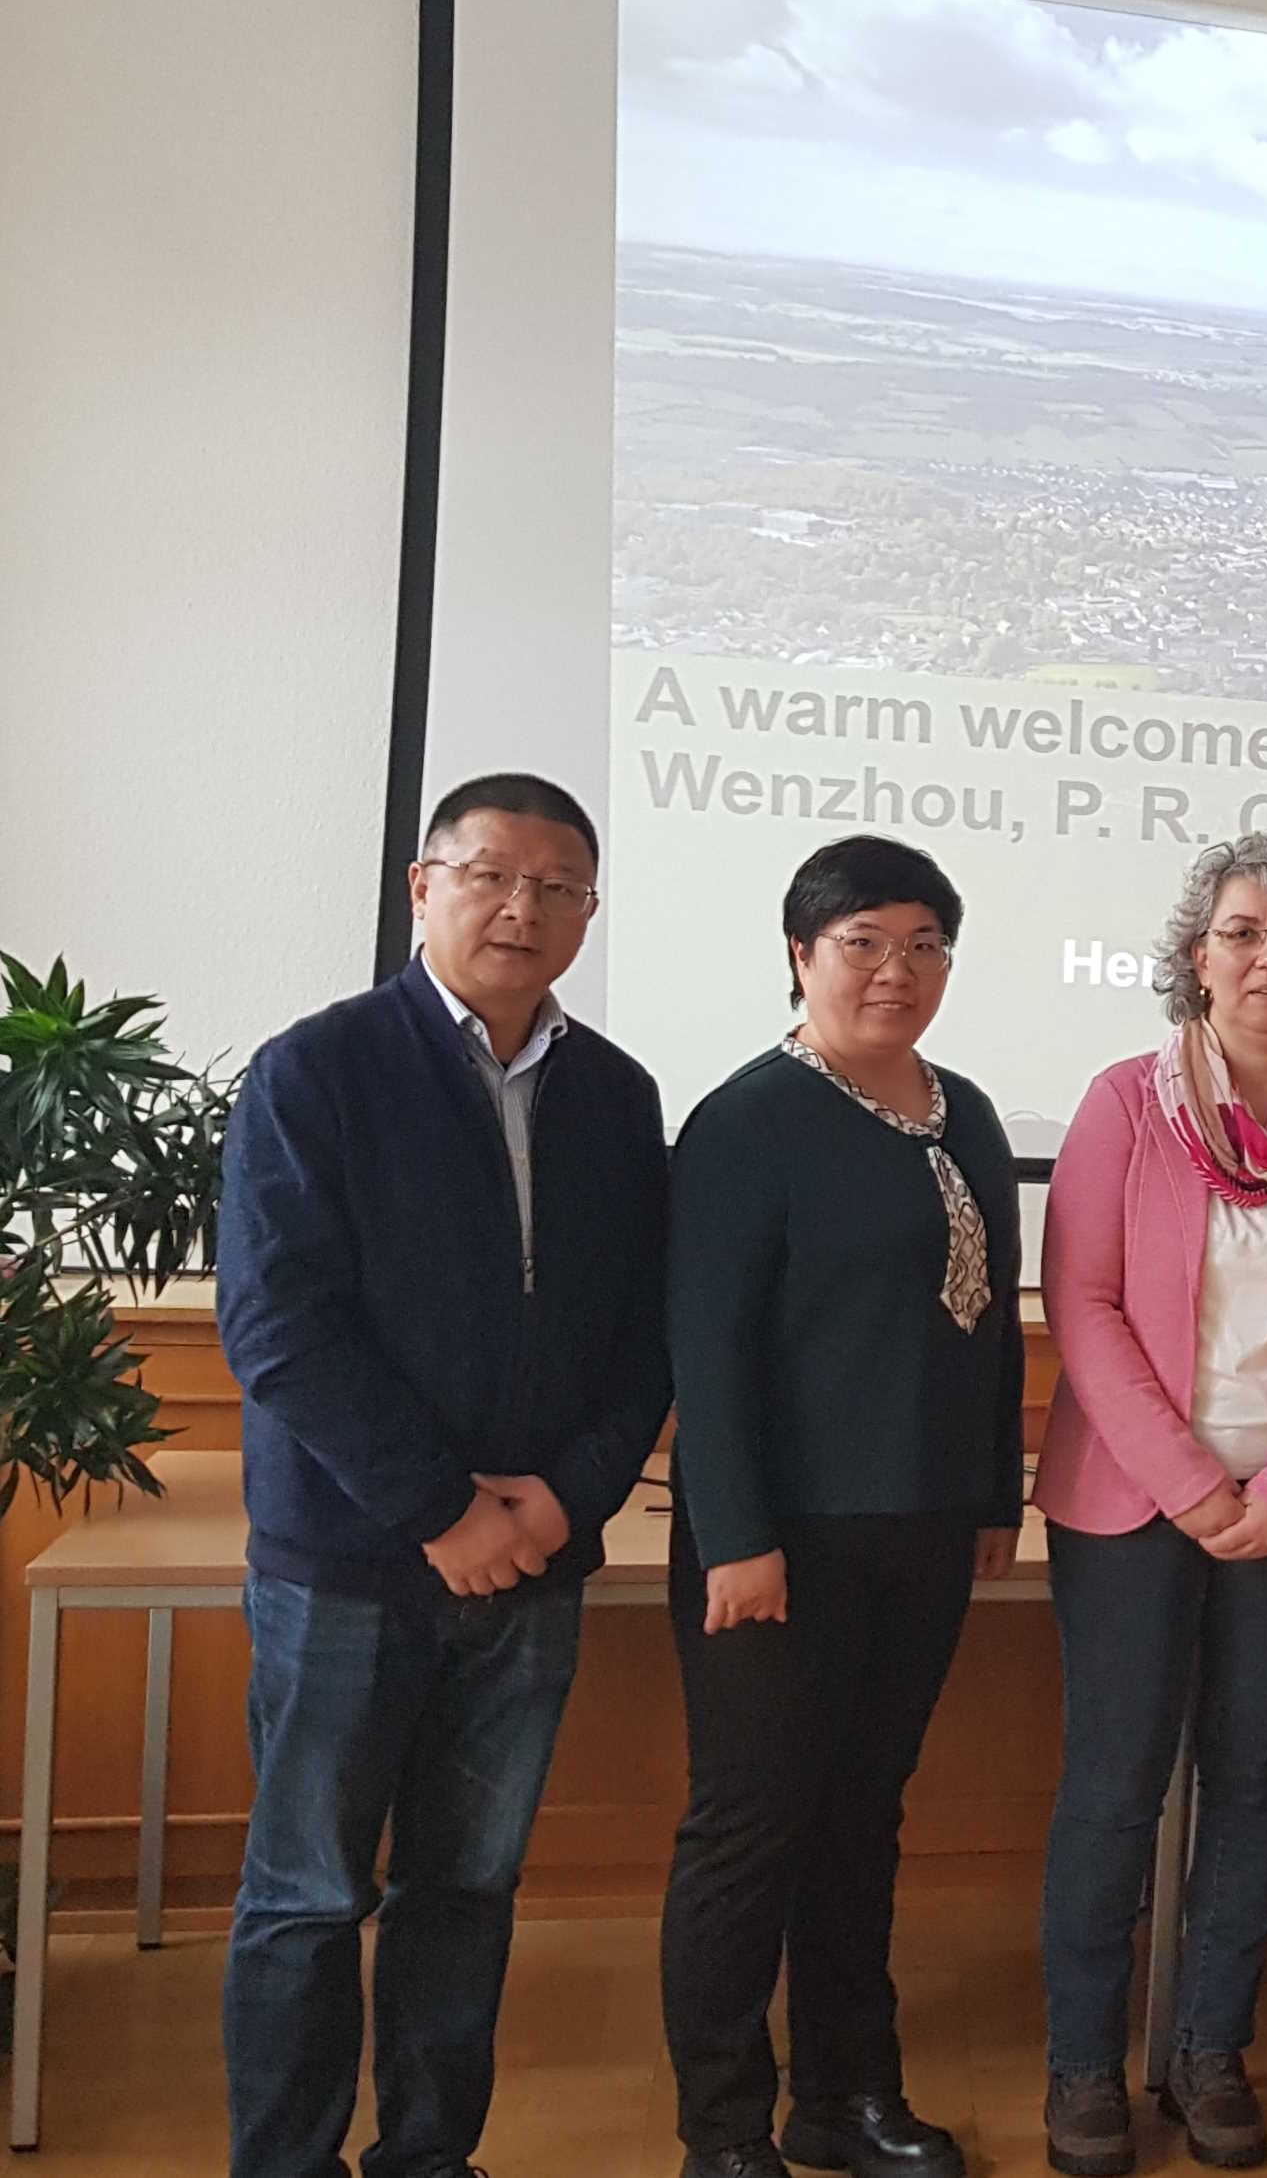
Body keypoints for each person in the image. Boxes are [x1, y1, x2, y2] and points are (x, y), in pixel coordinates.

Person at [216, 773, 670, 2178]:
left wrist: (560, 1500)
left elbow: (644, 1334)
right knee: (305, 1895)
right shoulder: (318, 1068)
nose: (520, 908)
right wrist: (442, 1511)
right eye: (489, 875)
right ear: (425, 887)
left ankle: (428, 2156)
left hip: (529, 1566)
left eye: (556, 888)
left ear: (588, 915)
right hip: (350, 1562)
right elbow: (277, 1322)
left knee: (466, 1889)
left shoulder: (615, 1093)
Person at [1033, 836, 1267, 2175]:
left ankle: (1208, 2049)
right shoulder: (1122, 1105)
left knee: (1254, 1784)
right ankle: (1083, 2065)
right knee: (1114, 1786)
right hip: (1132, 1508)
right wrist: (1196, 1489)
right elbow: (1077, 1306)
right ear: (1196, 959)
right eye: (1244, 932)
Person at [658, 835, 1024, 2178]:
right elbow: (708, 1349)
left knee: (863, 1815)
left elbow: (996, 1330)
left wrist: (995, 1487)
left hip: (924, 1530)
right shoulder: (747, 1120)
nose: (896, 970)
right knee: (749, 1828)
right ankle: (723, 2129)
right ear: (800, 956)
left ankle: (845, 2096)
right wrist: (740, 1537)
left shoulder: (968, 1110)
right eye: (863, 942)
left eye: (924, 944)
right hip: (779, 1543)